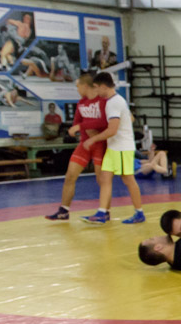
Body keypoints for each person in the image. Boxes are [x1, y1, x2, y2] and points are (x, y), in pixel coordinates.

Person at [79, 72, 145, 225]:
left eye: (96, 88)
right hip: (115, 146)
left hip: (122, 147)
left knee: (128, 180)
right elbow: (129, 118)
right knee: (105, 178)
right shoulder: (116, 101)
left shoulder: (114, 102)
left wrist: (93, 139)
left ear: (103, 86)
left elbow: (112, 130)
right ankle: (102, 212)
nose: (95, 92)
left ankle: (139, 212)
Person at [45, 74, 107, 221]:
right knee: (70, 175)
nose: (77, 89)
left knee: (102, 180)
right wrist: (79, 128)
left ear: (85, 86)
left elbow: (104, 123)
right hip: (85, 144)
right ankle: (63, 210)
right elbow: (75, 124)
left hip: (99, 143)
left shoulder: (102, 102)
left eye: (77, 86)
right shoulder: (81, 103)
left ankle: (105, 211)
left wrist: (83, 126)